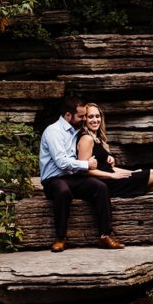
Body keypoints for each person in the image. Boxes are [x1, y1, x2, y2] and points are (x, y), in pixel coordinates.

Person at [38, 96, 122, 253]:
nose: (84, 119)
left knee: (100, 187)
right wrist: (86, 164)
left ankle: (105, 235)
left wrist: (107, 157)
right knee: (63, 191)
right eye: (81, 116)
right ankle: (60, 238)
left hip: (72, 177)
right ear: (68, 115)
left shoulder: (75, 130)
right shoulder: (53, 132)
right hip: (53, 180)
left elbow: (95, 145)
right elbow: (61, 162)